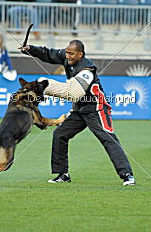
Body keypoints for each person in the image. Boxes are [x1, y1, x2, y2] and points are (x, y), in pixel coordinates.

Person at [20, 40, 135, 186]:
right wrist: (30, 49)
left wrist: (46, 86)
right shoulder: (67, 56)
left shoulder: (87, 70)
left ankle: (127, 175)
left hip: (96, 108)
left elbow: (73, 93)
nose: (67, 56)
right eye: (66, 52)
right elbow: (48, 53)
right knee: (60, 134)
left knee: (107, 138)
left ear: (80, 54)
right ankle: (63, 174)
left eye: (71, 53)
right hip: (80, 109)